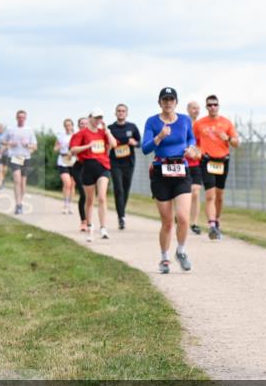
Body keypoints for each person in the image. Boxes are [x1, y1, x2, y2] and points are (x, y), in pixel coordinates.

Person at [141, 87, 200, 274]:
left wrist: (191, 148)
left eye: (171, 99)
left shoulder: (184, 120)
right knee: (167, 221)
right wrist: (159, 136)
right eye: (164, 99)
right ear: (160, 102)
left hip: (181, 171)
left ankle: (181, 251)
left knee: (183, 217)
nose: (168, 102)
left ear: (176, 102)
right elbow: (145, 148)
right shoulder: (152, 122)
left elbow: (190, 138)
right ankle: (164, 258)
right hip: (161, 172)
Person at [193, 94, 240, 239]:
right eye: (210, 105)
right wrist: (197, 151)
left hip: (222, 161)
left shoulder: (226, 123)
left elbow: (237, 143)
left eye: (215, 104)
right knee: (210, 195)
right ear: (206, 107)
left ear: (218, 106)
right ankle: (212, 225)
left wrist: (228, 138)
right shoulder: (199, 124)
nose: (212, 107)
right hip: (206, 161)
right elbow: (193, 142)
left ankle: (216, 221)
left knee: (219, 196)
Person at [68, 109, 117, 241]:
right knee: (89, 200)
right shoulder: (82, 133)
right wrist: (88, 146)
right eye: (95, 118)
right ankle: (89, 226)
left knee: (102, 197)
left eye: (100, 118)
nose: (97, 121)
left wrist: (108, 131)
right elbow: (73, 150)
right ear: (90, 118)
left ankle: (103, 228)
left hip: (103, 167)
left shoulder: (103, 133)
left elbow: (113, 144)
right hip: (88, 167)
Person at [108, 103, 142, 231]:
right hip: (115, 163)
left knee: (126, 190)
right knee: (119, 189)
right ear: (115, 113)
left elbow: (140, 143)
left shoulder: (132, 127)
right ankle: (121, 217)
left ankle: (122, 212)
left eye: (123, 111)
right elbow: (106, 142)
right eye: (119, 111)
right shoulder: (110, 128)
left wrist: (135, 143)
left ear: (126, 113)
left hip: (129, 163)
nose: (121, 113)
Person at [2, 110, 38, 214]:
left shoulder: (29, 130)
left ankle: (20, 203)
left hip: (26, 158)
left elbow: (35, 146)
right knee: (17, 179)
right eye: (19, 117)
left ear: (25, 118)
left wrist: (27, 145)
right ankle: (17, 204)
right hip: (14, 157)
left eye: (23, 117)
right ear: (16, 118)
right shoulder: (10, 129)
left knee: (23, 182)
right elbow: (2, 140)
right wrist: (9, 143)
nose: (21, 119)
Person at [185, 100, 204, 235]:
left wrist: (199, 153)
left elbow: (204, 144)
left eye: (198, 108)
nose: (196, 110)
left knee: (196, 193)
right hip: (182, 163)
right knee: (184, 193)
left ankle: (194, 223)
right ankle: (181, 216)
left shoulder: (201, 126)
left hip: (196, 163)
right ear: (188, 109)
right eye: (193, 108)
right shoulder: (183, 124)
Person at [70, 118, 90, 231]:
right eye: (82, 124)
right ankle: (83, 221)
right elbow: (72, 150)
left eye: (86, 123)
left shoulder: (93, 135)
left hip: (91, 167)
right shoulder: (76, 136)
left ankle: (89, 221)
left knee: (89, 196)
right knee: (83, 194)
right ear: (78, 125)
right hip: (79, 167)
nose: (84, 125)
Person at [55, 119, 77, 214]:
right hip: (63, 160)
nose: (68, 127)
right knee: (67, 183)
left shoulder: (76, 136)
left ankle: (70, 205)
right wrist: (58, 147)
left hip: (73, 160)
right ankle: (65, 204)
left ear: (72, 126)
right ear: (64, 126)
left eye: (69, 125)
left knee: (72, 184)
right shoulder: (60, 136)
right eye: (66, 125)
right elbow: (55, 148)